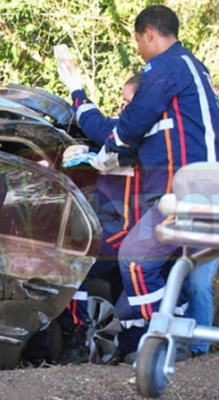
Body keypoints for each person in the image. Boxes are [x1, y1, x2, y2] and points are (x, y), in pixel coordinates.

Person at [99, 5, 219, 361]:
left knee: (135, 258)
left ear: (149, 33)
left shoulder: (164, 67)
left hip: (191, 190)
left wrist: (114, 145)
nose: (138, 49)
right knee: (191, 275)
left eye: (138, 41)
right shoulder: (194, 68)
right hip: (208, 187)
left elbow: (134, 121)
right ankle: (190, 344)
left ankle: (166, 340)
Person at [55, 75, 142, 364]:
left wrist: (75, 89)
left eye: (128, 101)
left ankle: (77, 336)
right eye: (122, 101)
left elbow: (104, 136)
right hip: (111, 225)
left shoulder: (138, 133)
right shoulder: (125, 132)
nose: (123, 107)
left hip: (127, 228)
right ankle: (123, 345)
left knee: (74, 263)